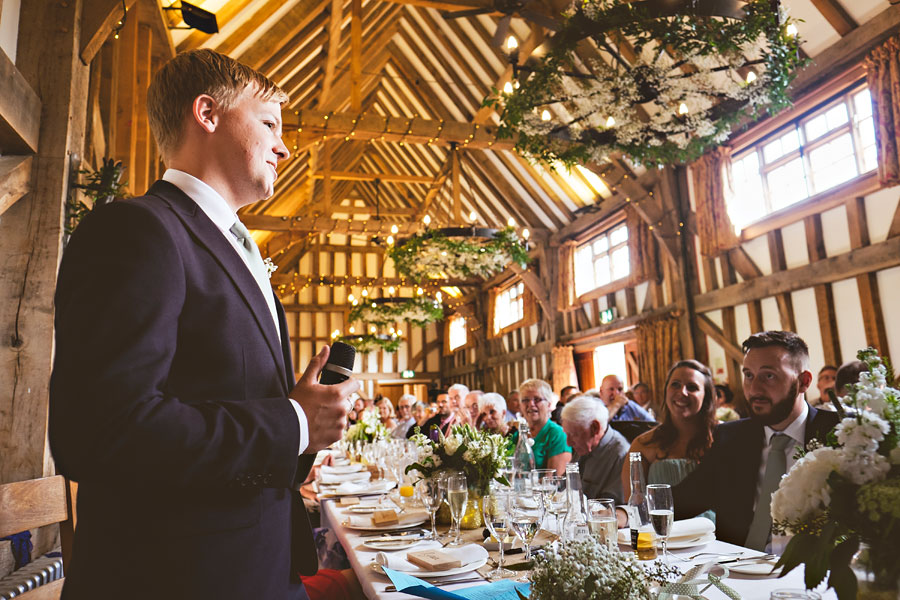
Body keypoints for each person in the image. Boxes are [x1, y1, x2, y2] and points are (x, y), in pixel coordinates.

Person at [49, 49, 359, 599]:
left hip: (258, 566)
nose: (285, 146)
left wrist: (305, 434)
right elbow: (100, 433)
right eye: (269, 124)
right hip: (181, 577)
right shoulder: (137, 232)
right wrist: (290, 422)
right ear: (207, 114)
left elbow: (224, 400)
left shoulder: (236, 248)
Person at [671, 331, 840, 551]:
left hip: (812, 575)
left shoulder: (840, 434)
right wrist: (626, 513)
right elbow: (686, 498)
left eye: (768, 376)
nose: (754, 388)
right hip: (737, 571)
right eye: (748, 375)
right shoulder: (731, 438)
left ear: (803, 382)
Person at [622, 361, 717, 515]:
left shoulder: (725, 436)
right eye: (675, 385)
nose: (682, 392)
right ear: (666, 391)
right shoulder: (643, 444)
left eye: (692, 387)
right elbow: (635, 509)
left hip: (721, 537)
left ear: (706, 395)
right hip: (666, 534)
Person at [561, 396, 630, 503]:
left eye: (574, 435)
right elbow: (563, 486)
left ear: (595, 428)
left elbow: (613, 509)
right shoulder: (584, 445)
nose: (568, 443)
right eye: (566, 435)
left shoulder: (621, 455)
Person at [510, 379, 572, 475]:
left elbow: (554, 480)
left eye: (537, 399)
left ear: (549, 404)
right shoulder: (517, 435)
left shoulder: (557, 435)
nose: (531, 404)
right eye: (525, 400)